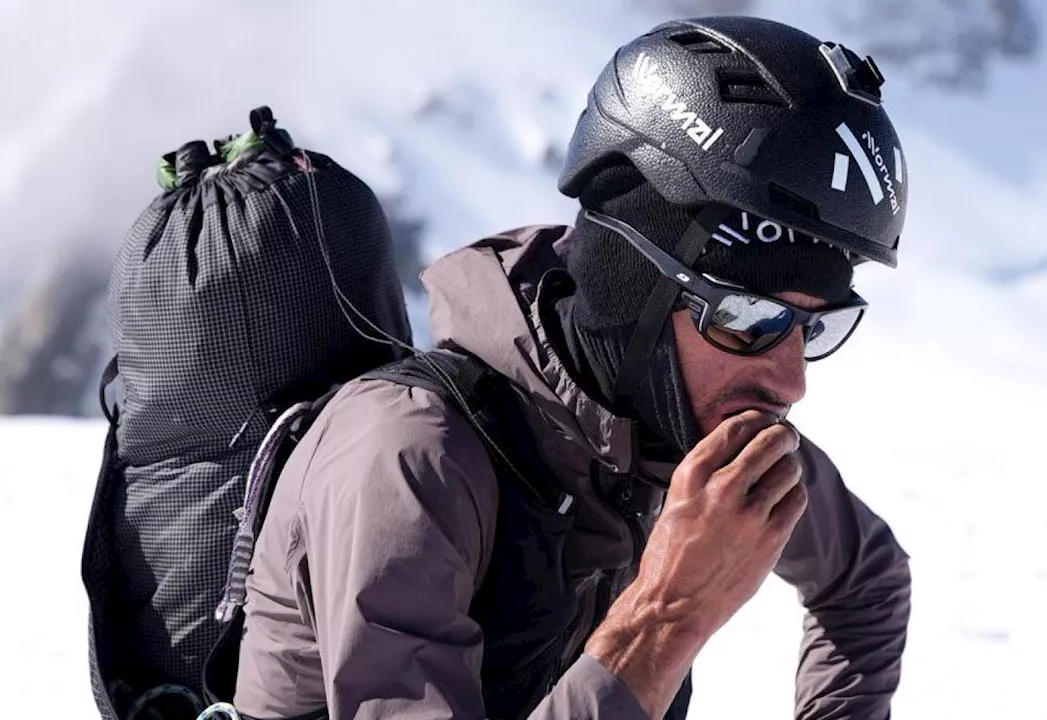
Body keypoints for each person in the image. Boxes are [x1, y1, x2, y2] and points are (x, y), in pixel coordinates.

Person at [233, 15, 912, 720]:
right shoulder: (411, 459)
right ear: (633, 286)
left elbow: (867, 578)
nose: (793, 380)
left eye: (815, 327)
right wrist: (662, 618)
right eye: (745, 317)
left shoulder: (683, 430)